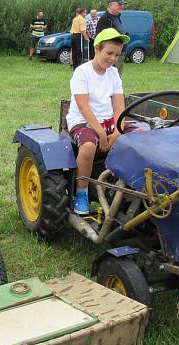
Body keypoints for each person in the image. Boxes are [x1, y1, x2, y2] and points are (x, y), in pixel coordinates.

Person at [65, 28, 130, 215]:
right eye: (109, 53)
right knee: (88, 146)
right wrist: (101, 133)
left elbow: (119, 107)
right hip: (83, 122)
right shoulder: (82, 72)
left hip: (109, 121)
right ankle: (82, 192)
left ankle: (129, 189)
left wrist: (118, 130)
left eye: (117, 55)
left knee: (139, 141)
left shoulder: (114, 74)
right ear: (97, 49)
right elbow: (83, 107)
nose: (113, 58)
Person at [96, 0, 127, 75]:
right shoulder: (105, 19)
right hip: (110, 56)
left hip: (119, 53)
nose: (121, 7)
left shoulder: (117, 17)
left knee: (117, 77)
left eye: (122, 5)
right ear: (110, 5)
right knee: (110, 76)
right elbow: (99, 40)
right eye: (119, 4)